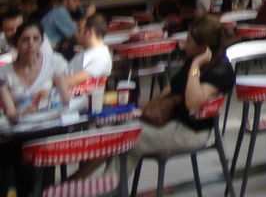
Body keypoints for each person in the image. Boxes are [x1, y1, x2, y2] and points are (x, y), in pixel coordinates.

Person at [128, 16, 235, 172]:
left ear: (204, 47)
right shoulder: (191, 59)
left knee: (123, 139)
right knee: (120, 135)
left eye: (189, 41)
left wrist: (196, 66)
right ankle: (97, 184)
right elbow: (169, 89)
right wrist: (149, 111)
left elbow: (192, 102)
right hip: (169, 122)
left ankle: (101, 187)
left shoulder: (221, 70)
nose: (184, 45)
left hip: (190, 132)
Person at [0, 21, 66, 118]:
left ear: (41, 42)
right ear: (16, 44)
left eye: (36, 39)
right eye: (25, 40)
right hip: (21, 125)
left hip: (53, 119)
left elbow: (65, 98)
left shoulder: (54, 62)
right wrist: (23, 113)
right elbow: (10, 111)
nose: (31, 44)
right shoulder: (3, 73)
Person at [62, 14, 112, 88]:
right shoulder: (88, 53)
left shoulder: (102, 58)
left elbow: (68, 81)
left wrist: (51, 80)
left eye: (79, 30)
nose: (75, 34)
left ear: (89, 32)